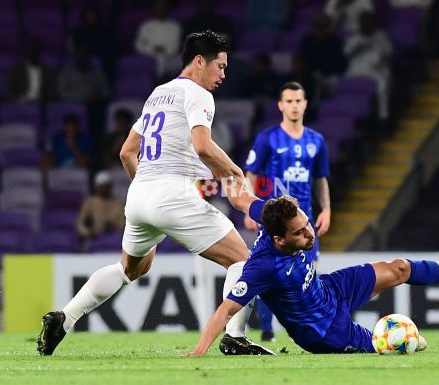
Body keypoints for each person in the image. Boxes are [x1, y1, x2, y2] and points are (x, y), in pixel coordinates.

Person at [37, 30, 273, 357]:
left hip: (139, 195)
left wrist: (146, 191)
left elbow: (126, 152)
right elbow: (203, 146)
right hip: (171, 192)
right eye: (219, 66)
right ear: (199, 61)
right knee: (242, 259)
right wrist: (232, 169)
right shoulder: (199, 94)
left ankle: (64, 318)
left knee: (130, 269)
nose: (223, 74)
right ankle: (235, 336)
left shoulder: (158, 94)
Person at [185, 193, 439, 356]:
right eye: (300, 232)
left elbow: (242, 199)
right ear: (279, 240)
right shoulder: (262, 267)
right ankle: (408, 340)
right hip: (325, 331)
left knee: (399, 268)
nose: (309, 234)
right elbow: (227, 308)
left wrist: (225, 172)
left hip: (333, 289)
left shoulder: (274, 214)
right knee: (392, 347)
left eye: (307, 224)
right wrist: (199, 351)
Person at [244, 81, 331, 341]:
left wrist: (326, 208)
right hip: (274, 221)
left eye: (298, 101)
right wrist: (250, 210)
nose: (294, 106)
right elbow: (251, 175)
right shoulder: (267, 138)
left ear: (305, 104)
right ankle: (268, 331)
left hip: (305, 221)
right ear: (281, 105)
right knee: (272, 272)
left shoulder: (316, 141)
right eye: (289, 101)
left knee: (309, 273)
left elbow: (320, 179)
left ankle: (310, 328)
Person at [343, 11, 393, 120]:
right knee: (340, 84)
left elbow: (389, 52)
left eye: (367, 22)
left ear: (373, 23)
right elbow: (345, 53)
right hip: (355, 70)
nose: (365, 25)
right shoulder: (355, 37)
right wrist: (359, 44)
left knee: (383, 85)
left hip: (375, 71)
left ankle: (383, 117)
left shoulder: (381, 36)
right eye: (363, 22)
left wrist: (379, 54)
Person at [76, 171, 126, 250]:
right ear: (97, 187)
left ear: (110, 187)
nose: (104, 189)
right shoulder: (90, 202)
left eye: (106, 186)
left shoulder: (118, 202)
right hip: (95, 236)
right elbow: (80, 224)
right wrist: (88, 232)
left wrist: (115, 226)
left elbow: (124, 224)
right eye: (102, 186)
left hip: (115, 236)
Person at [4, 37, 57, 102]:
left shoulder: (47, 70)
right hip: (21, 103)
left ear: (39, 52)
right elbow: (8, 92)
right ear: (26, 52)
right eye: (30, 51)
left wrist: (43, 99)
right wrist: (20, 98)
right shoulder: (16, 70)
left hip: (41, 102)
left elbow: (53, 92)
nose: (32, 54)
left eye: (35, 51)